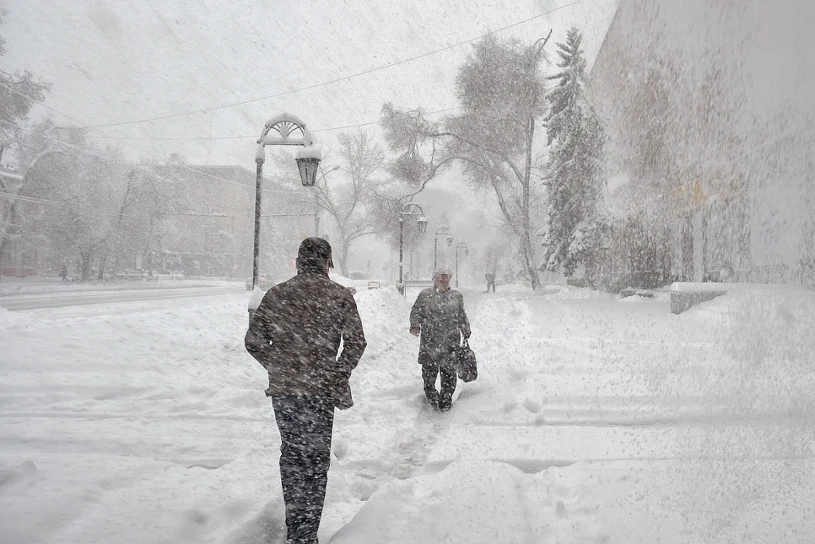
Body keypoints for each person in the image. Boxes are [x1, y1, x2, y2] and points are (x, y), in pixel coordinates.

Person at [245, 237, 367, 544]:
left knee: (292, 455)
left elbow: (253, 340)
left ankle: (295, 526)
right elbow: (356, 342)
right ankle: (307, 532)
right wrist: (336, 373)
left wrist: (279, 365)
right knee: (315, 459)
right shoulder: (339, 295)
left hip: (286, 391)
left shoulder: (277, 294)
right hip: (320, 391)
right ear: (327, 263)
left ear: (298, 261)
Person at [409, 268, 470, 412]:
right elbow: (416, 311)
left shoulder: (456, 296)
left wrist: (466, 328)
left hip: (451, 342)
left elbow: (461, 314)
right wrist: (415, 325)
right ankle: (432, 398)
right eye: (441, 278)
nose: (444, 280)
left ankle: (445, 401)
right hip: (430, 342)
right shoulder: (425, 295)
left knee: (449, 375)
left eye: (446, 278)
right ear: (434, 279)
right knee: (428, 376)